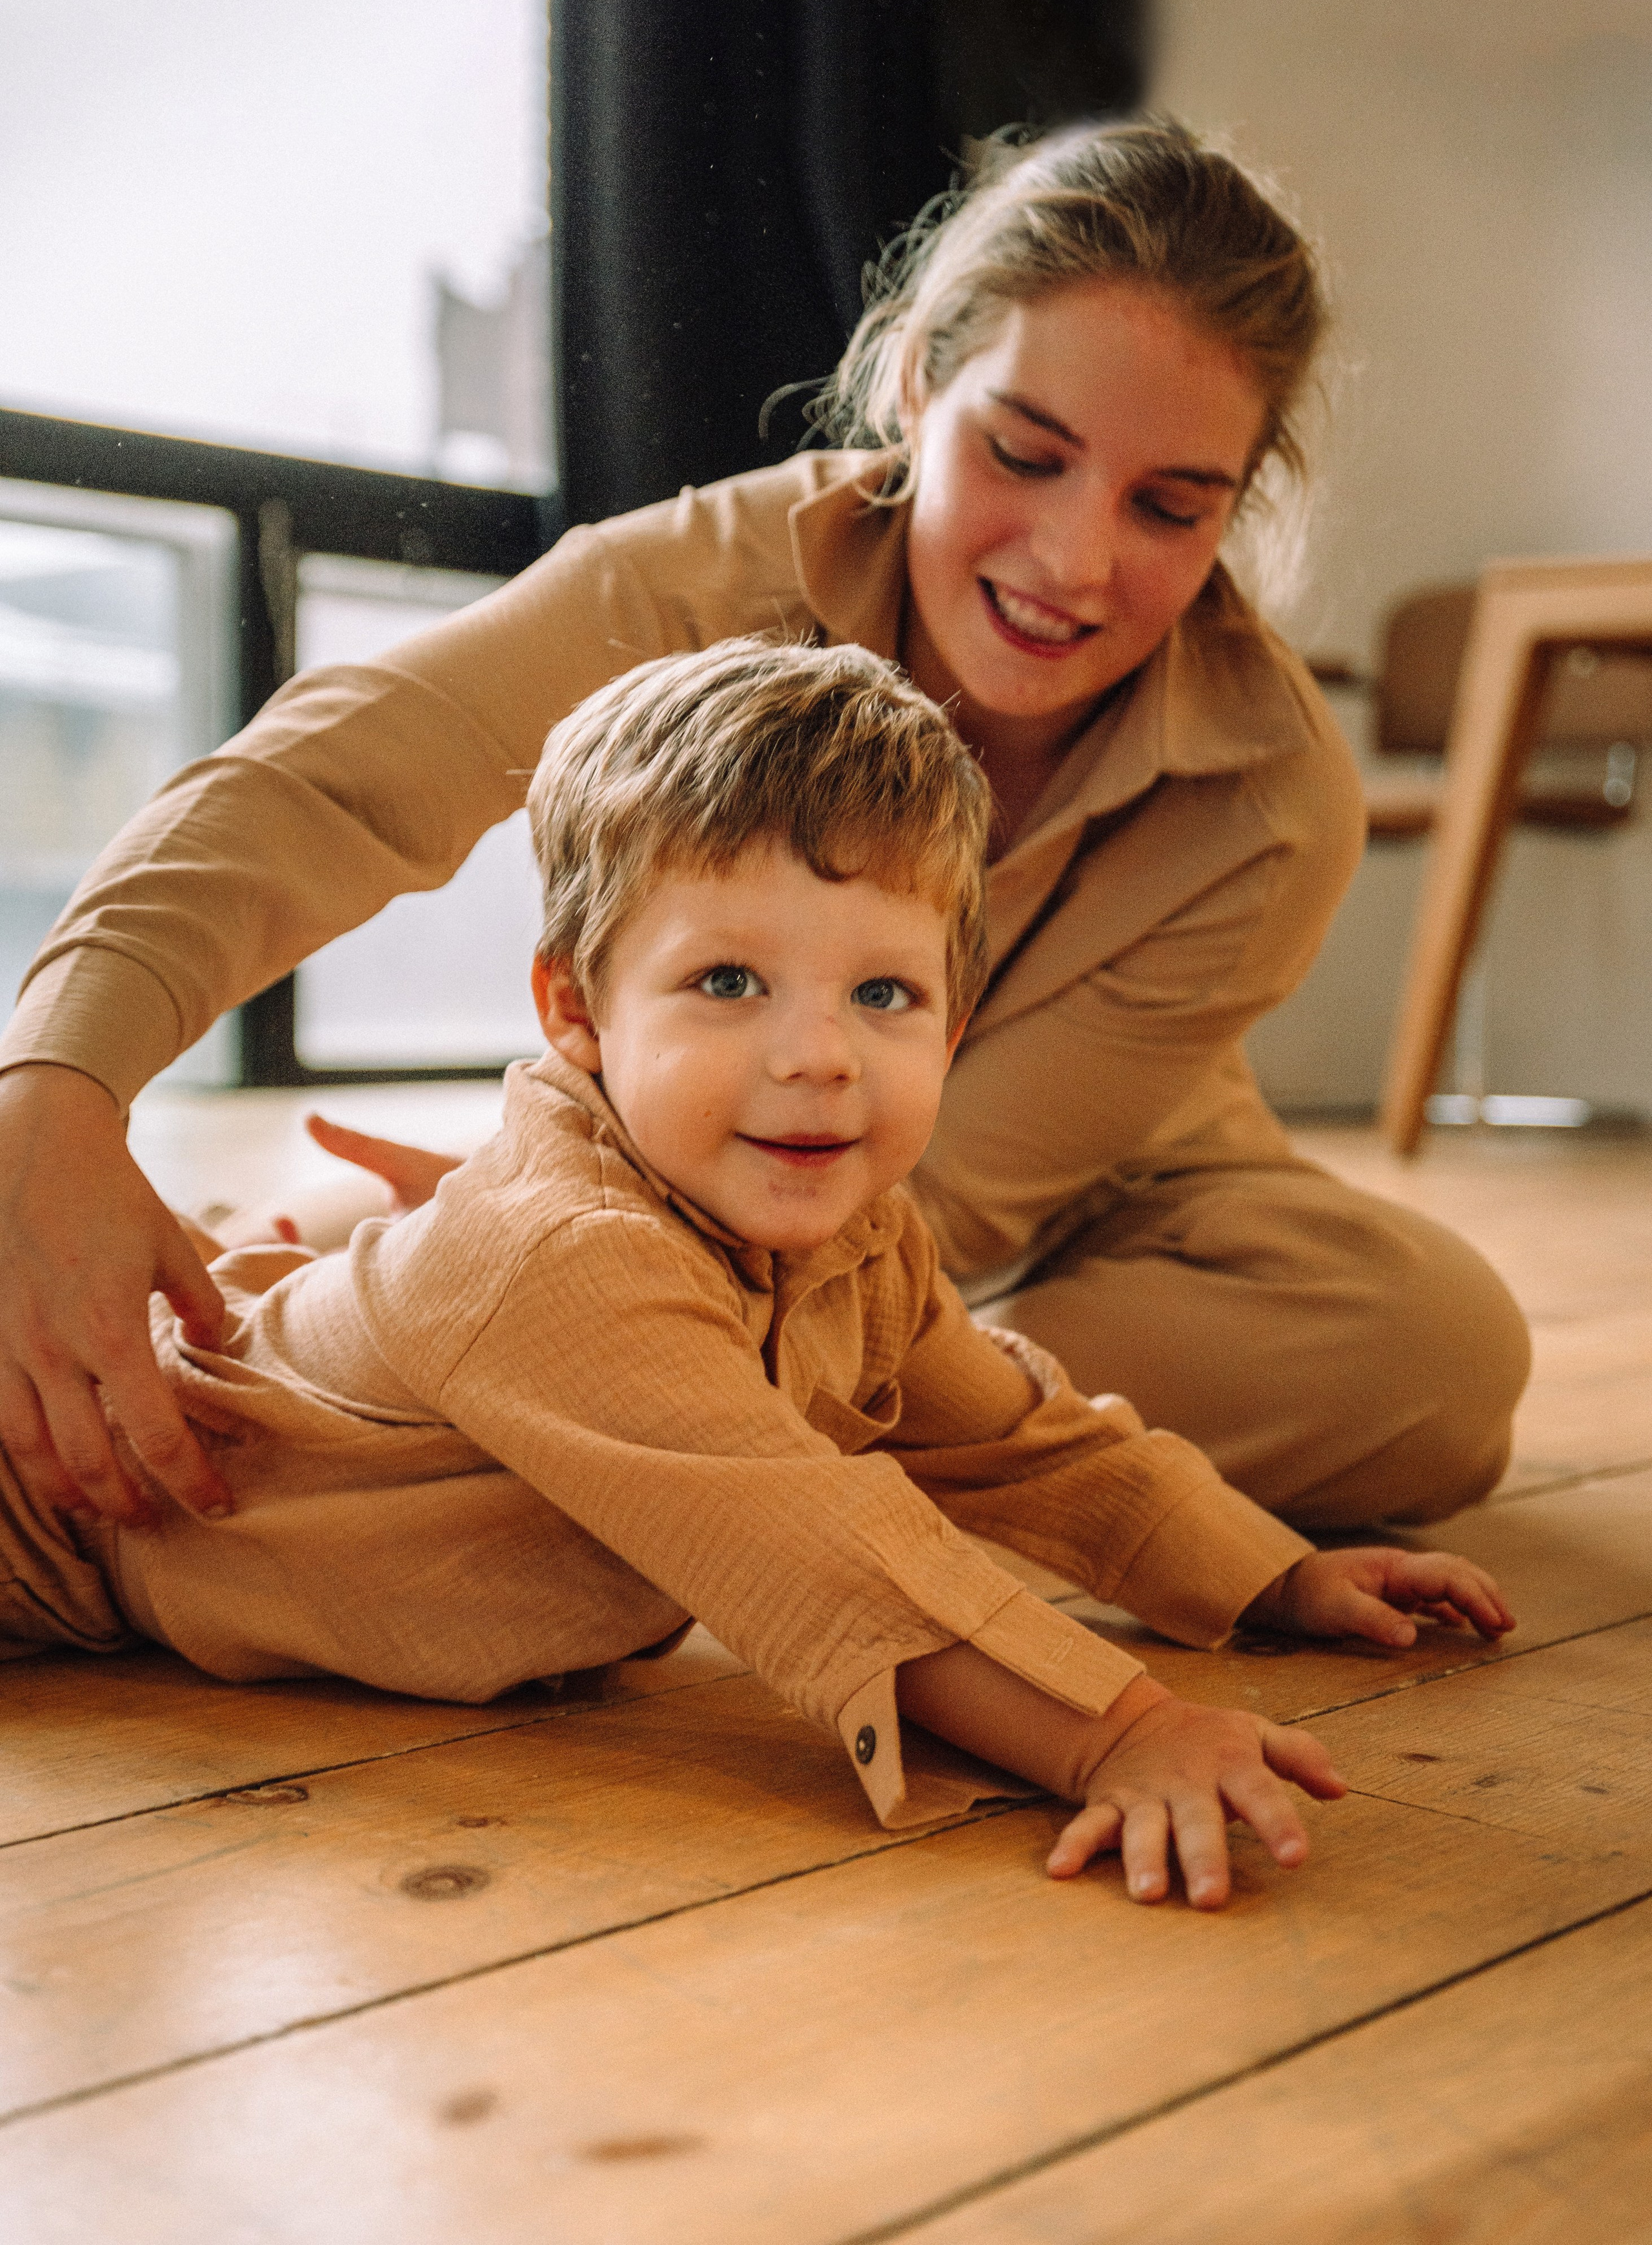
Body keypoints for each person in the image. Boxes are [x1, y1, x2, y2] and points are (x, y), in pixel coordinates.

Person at [0, 116, 1530, 1539]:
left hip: (1029, 1220)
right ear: (921, 381)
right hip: (683, 1160)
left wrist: (551, 1298)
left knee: (1433, 1358)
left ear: (1232, 510)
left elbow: (939, 1194)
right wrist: (55, 1088)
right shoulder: (704, 575)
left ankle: (560, 1414)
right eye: (1023, 452)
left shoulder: (1271, 798)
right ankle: (621, 1418)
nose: (1073, 559)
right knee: (476, 1286)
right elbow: (331, 778)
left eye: (1168, 507)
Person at [0, 640, 1515, 1907]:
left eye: (882, 992)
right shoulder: (559, 1258)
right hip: (47, 1521)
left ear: (954, 1016)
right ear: (574, 1006)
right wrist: (1115, 1730)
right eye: (727, 983)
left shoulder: (855, 1231)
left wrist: (1267, 1569)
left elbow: (1013, 1434)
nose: (814, 1057)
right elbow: (821, 1549)